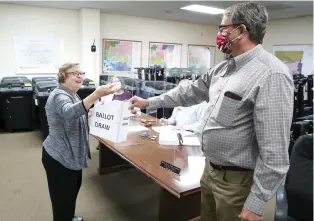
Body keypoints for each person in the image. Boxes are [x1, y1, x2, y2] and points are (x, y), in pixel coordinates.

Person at [130, 2, 294, 221]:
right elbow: (188, 93)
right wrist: (147, 102)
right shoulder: (224, 68)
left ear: (241, 31)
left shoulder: (271, 75)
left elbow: (275, 154)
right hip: (210, 171)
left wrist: (255, 204)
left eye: (223, 28)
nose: (219, 34)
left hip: (237, 182)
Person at [42, 62, 117, 221]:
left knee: (71, 192)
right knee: (61, 200)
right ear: (63, 76)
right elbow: (69, 112)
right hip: (59, 157)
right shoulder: (59, 95)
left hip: (72, 156)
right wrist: (96, 95)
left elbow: (77, 114)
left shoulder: (72, 94)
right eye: (74, 73)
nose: (80, 76)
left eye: (81, 73)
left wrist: (90, 115)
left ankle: (69, 216)